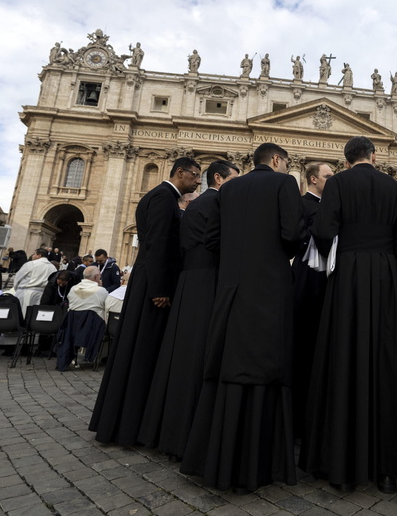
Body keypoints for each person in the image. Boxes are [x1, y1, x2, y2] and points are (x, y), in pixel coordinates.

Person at [300, 136, 397, 494]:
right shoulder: (395, 187)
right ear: (374, 155)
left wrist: (339, 255)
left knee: (344, 360)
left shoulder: (337, 183)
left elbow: (322, 231)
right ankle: (386, 471)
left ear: (347, 159)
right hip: (384, 277)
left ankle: (341, 469)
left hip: (348, 275)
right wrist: (388, 266)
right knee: (387, 365)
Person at [181, 143, 304, 493]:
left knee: (227, 366)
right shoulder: (285, 184)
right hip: (270, 289)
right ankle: (261, 460)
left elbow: (212, 239)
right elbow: (293, 233)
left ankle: (217, 456)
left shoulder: (229, 188)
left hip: (231, 290)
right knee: (267, 367)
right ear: (278, 160)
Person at [90, 156, 201, 445]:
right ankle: (132, 425)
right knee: (143, 349)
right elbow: (159, 245)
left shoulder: (160, 197)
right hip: (154, 284)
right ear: (180, 172)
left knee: (137, 348)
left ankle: (126, 421)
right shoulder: (165, 198)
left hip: (147, 280)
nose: (197, 181)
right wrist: (160, 289)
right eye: (194, 175)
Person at [139, 159, 239, 458]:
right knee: (199, 356)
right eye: (235, 179)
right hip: (208, 283)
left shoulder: (193, 204)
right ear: (219, 179)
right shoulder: (219, 204)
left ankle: (167, 429)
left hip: (187, 284)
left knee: (180, 357)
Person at [291, 162, 334, 440]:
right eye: (329, 176)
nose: (333, 180)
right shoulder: (304, 205)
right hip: (309, 280)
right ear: (313, 179)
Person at [12, 248, 58, 315]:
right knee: (35, 315)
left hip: (26, 292)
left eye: (34, 254)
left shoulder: (31, 264)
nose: (32, 256)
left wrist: (17, 289)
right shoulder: (52, 267)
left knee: (22, 314)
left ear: (39, 255)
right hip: (42, 294)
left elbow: (18, 277)